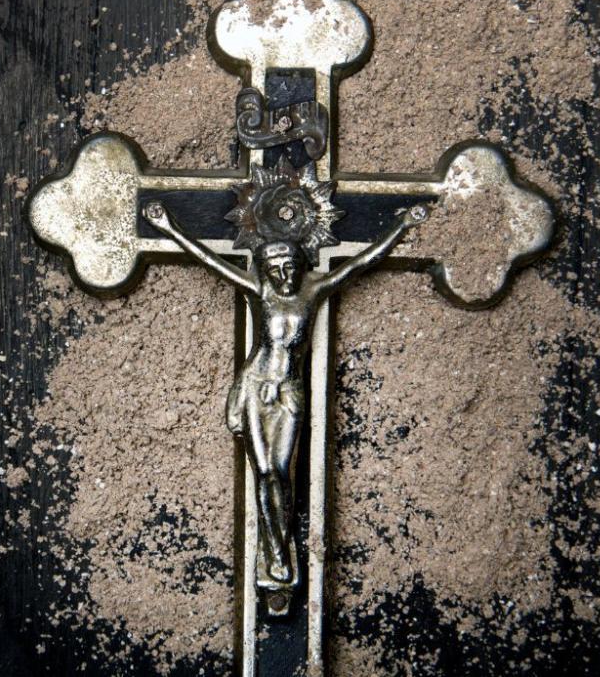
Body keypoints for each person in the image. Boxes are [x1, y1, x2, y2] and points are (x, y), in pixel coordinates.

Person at [141, 199, 428, 585]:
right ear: (265, 270)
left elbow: (361, 263)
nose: (283, 275)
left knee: (282, 472)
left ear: (300, 265)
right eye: (274, 269)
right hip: (259, 386)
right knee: (265, 473)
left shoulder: (313, 289)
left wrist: (403, 225)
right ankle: (276, 552)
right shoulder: (260, 290)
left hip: (290, 391)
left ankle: (279, 542)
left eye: (289, 266)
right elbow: (210, 262)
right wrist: (169, 228)